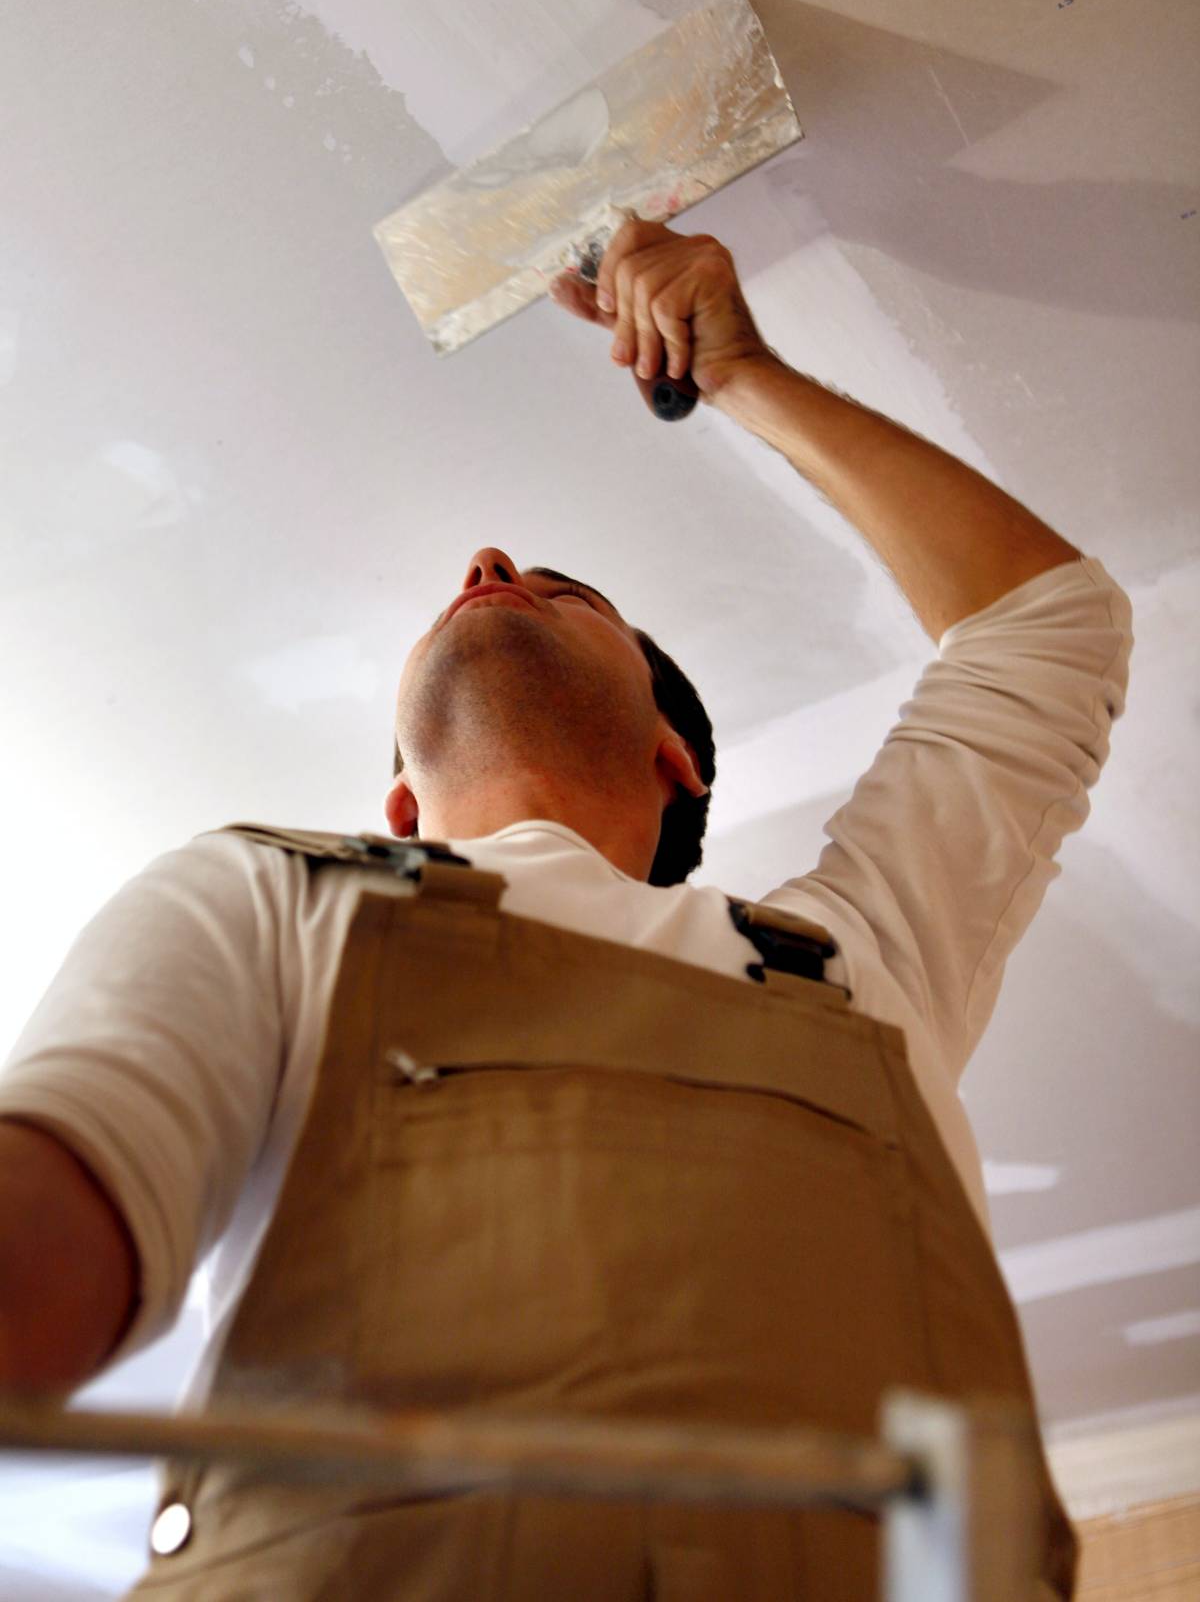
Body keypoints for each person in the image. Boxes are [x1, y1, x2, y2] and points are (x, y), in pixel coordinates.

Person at [0, 220, 1132, 1598]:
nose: (485, 558)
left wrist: (746, 374)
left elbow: (1049, 628)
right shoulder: (273, 902)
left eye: (567, 592)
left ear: (675, 754)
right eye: (483, 583)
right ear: (398, 810)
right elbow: (40, 1254)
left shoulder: (853, 957)